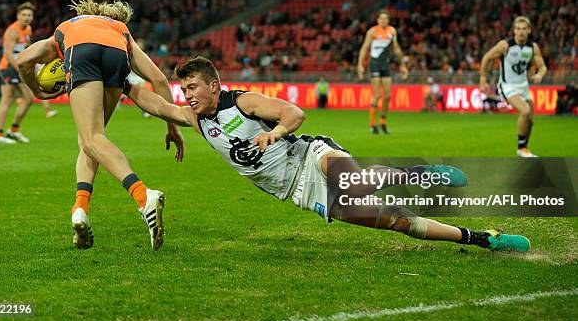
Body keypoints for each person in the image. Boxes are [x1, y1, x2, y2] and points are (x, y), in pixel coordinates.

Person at [126, 56, 530, 253]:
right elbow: (151, 100)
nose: (189, 94)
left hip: (309, 155)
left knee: (355, 184)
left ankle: (423, 173)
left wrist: (277, 134)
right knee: (396, 222)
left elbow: (294, 113)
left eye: (194, 86)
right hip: (301, 193)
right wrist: (115, 73)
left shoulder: (243, 102)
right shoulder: (195, 119)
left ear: (215, 85)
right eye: (185, 89)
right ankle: (482, 239)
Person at [16, 0, 184, 251]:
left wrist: (37, 90)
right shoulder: (120, 30)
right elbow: (160, 79)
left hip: (80, 52)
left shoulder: (67, 27)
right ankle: (80, 209)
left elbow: (23, 60)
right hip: (117, 56)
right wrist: (171, 128)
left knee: (92, 139)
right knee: (92, 140)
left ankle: (143, 196)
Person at [480, 16, 547, 157]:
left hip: (523, 85)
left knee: (530, 120)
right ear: (513, 31)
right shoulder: (505, 45)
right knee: (525, 111)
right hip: (507, 86)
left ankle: (525, 148)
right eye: (518, 29)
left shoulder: (532, 47)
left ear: (529, 30)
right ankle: (521, 149)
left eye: (524, 29)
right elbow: (487, 57)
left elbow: (542, 67)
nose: (521, 32)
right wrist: (483, 78)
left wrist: (540, 75)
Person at [357, 10, 408, 135]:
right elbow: (365, 47)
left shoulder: (392, 31)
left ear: (388, 20)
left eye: (386, 18)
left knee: (388, 95)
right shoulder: (372, 31)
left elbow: (396, 48)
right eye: (382, 18)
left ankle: (383, 121)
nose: (384, 21)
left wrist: (402, 65)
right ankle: (372, 124)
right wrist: (360, 65)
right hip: (374, 63)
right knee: (377, 95)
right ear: (378, 20)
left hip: (385, 64)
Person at [0, 2, 36, 144]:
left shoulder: (28, 29)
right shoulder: (13, 30)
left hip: (18, 67)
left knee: (29, 99)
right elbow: (8, 53)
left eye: (29, 15)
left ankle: (13, 130)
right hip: (8, 67)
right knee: (7, 99)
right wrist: (20, 70)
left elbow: (26, 48)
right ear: (18, 16)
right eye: (23, 15)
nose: (26, 17)